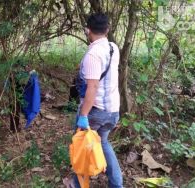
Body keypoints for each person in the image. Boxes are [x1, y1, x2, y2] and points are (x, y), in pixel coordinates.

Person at [74, 13, 123, 187]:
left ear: (88, 30)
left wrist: (84, 115)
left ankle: (79, 184)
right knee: (103, 143)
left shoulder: (93, 55)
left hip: (96, 112)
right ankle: (117, 184)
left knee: (81, 147)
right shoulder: (113, 47)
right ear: (107, 30)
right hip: (113, 111)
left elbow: (92, 88)